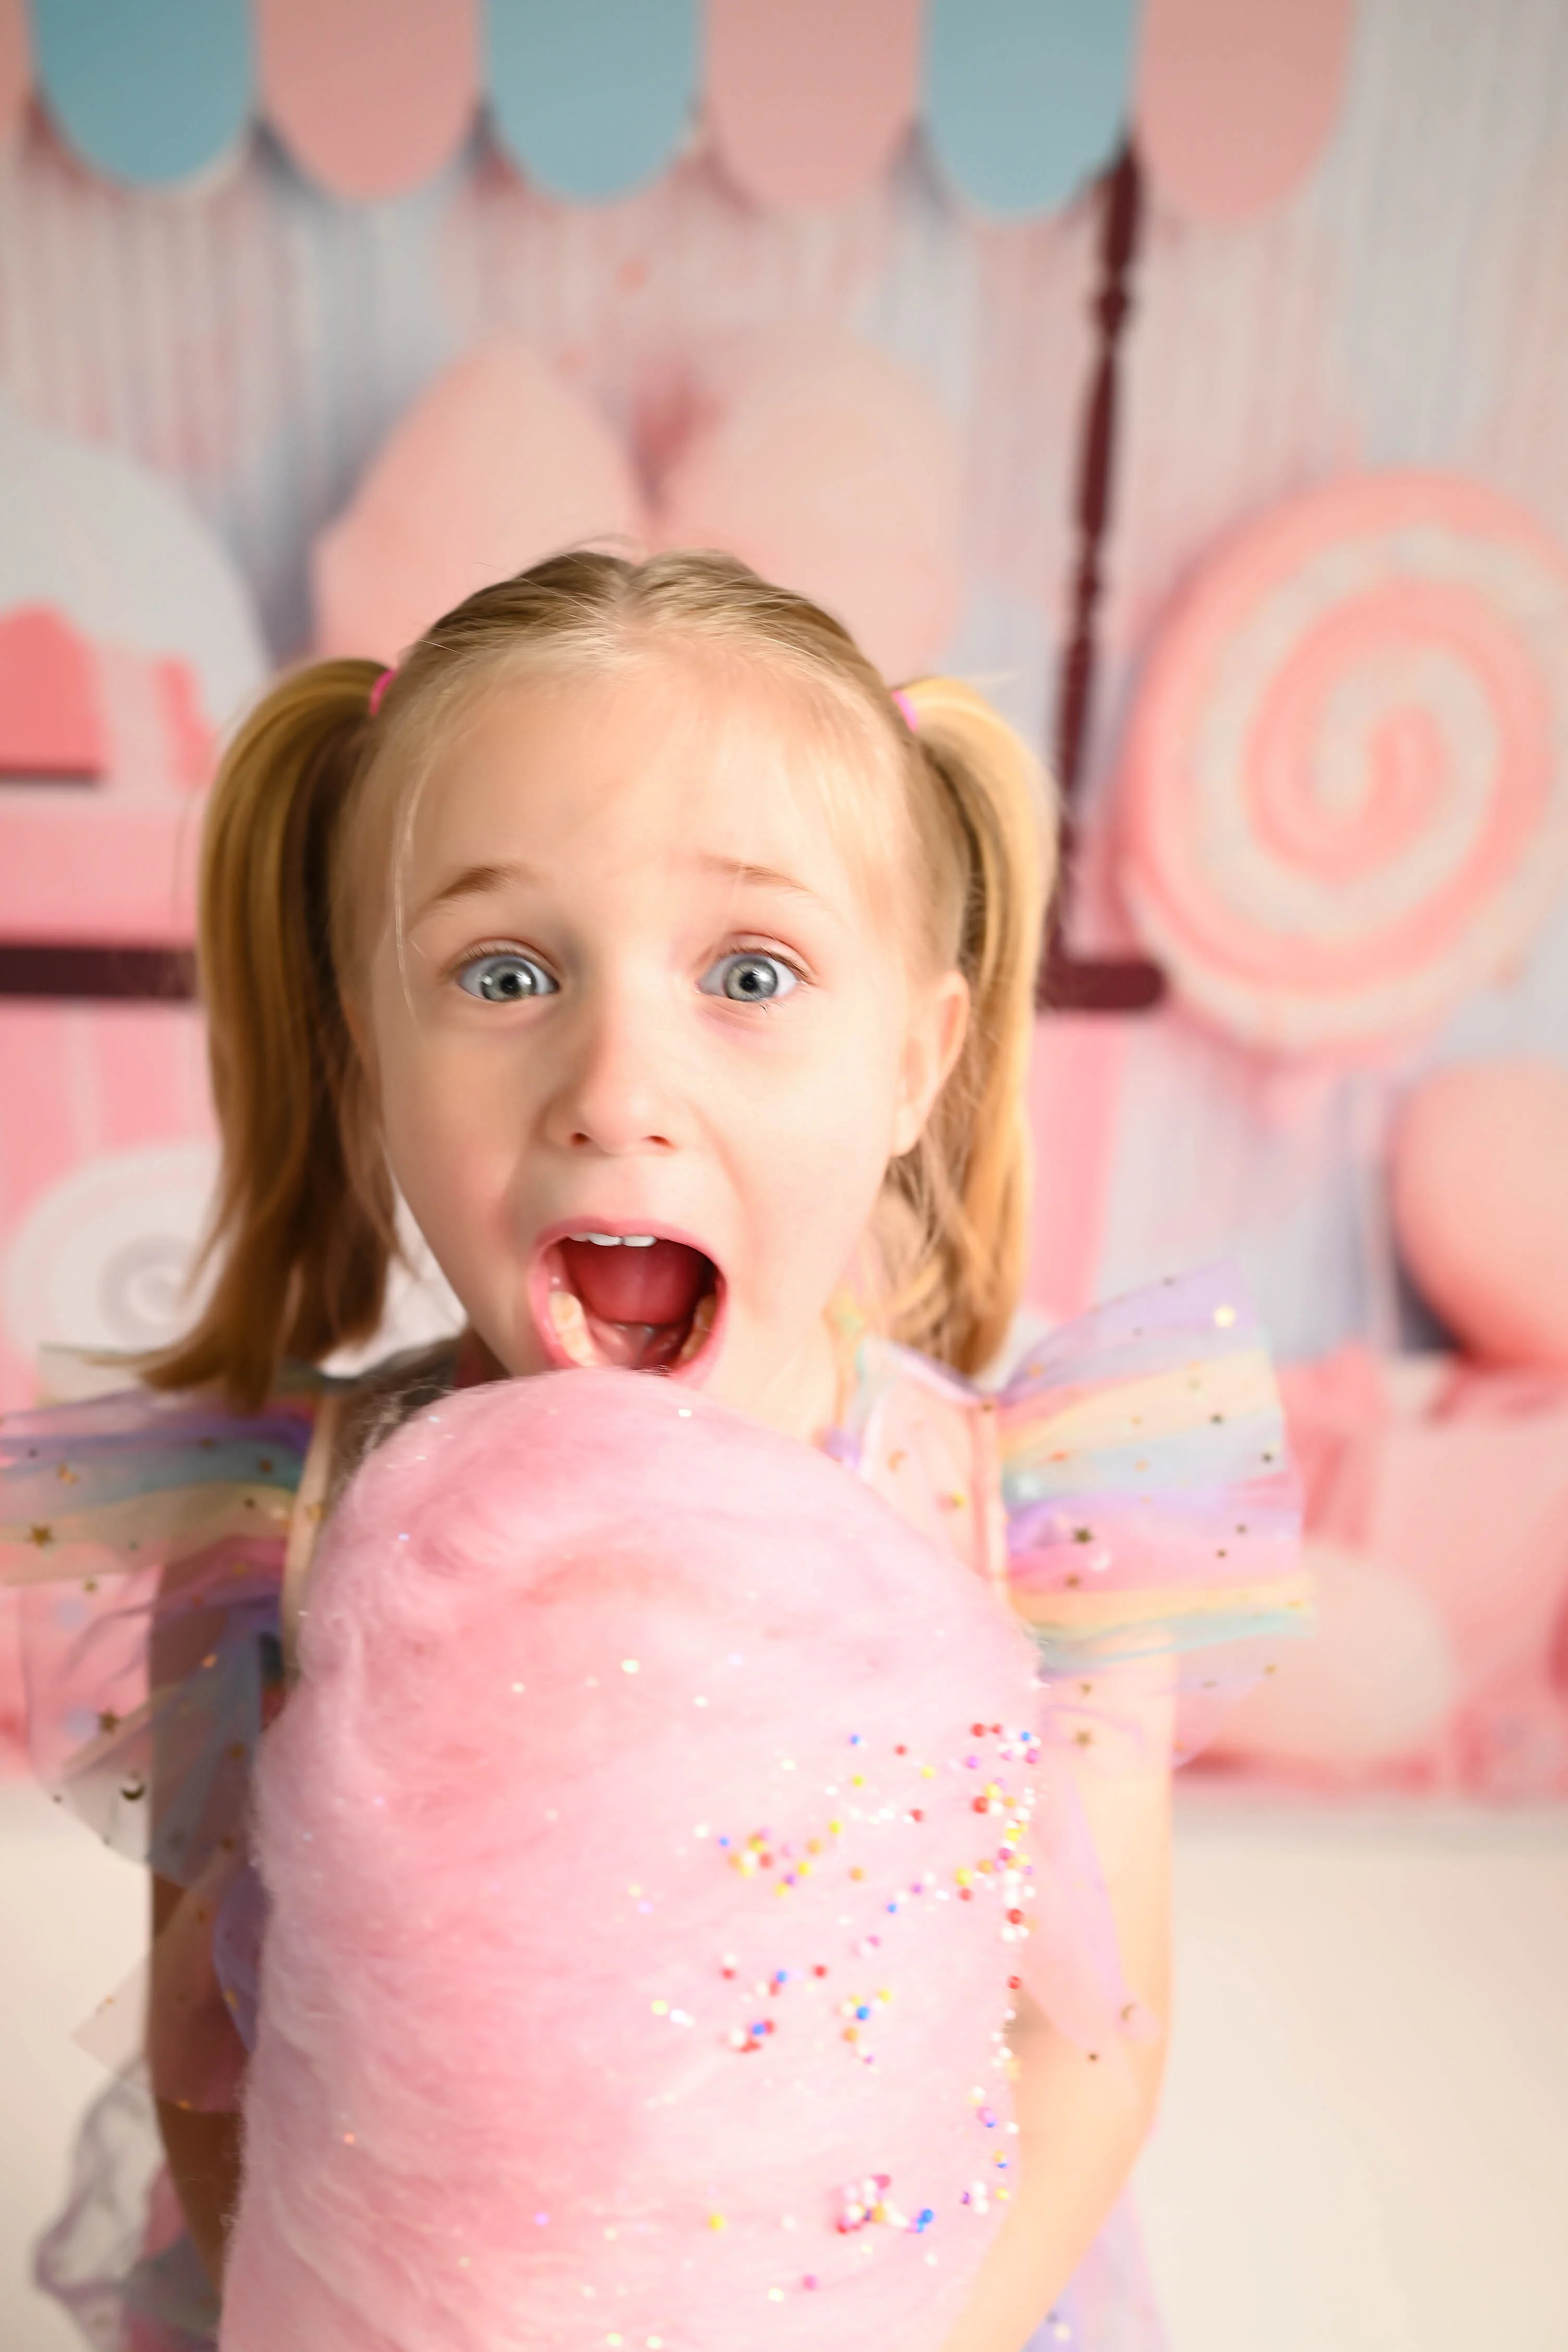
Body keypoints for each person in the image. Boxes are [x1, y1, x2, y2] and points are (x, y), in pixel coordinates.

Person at [1, 550, 1305, 2351]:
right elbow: (215, 2048)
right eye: (505, 969)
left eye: (752, 972)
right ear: (364, 1047)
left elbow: (1087, 2055)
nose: (615, 1082)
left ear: (915, 1061)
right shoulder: (276, 1547)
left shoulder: (1015, 1536)